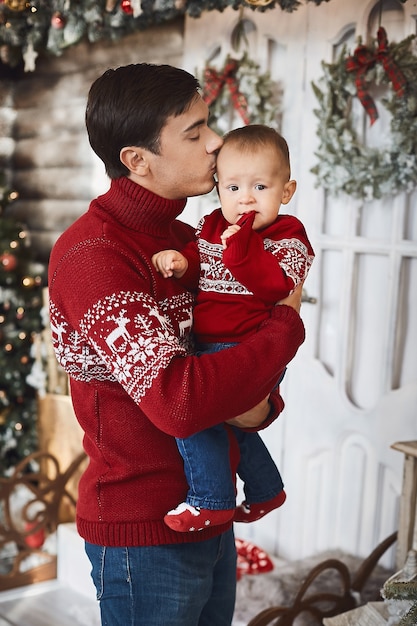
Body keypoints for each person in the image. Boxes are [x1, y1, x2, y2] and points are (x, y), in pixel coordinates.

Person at [48, 64, 306, 626]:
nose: (217, 143)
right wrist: (287, 327)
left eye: (209, 124)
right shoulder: (96, 256)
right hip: (144, 533)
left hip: (211, 515)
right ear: (137, 160)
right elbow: (179, 402)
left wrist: (261, 405)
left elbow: (240, 371)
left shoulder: (191, 240)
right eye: (194, 133)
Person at [152, 125, 315, 533]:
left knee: (194, 415)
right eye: (233, 188)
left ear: (286, 191)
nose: (245, 198)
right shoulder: (210, 227)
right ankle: (265, 488)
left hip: (251, 345)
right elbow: (199, 267)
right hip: (210, 343)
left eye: (260, 186)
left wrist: (241, 249)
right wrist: (182, 264)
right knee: (225, 420)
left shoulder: (288, 236)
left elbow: (277, 285)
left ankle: (211, 500)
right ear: (219, 190)